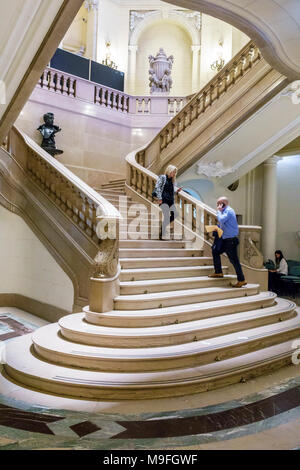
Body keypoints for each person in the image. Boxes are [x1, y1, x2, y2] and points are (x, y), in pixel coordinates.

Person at [209, 196, 247, 288]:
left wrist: (218, 210)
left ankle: (241, 280)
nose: (218, 205)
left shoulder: (229, 211)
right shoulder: (223, 212)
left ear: (224, 204)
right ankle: (218, 272)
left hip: (231, 241)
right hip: (224, 240)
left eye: (219, 203)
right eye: (217, 203)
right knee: (215, 251)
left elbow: (221, 219)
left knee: (234, 261)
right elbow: (222, 224)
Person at [155, 165, 182, 239]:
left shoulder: (172, 180)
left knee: (175, 214)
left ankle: (163, 227)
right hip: (163, 200)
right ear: (169, 171)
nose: (174, 174)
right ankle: (162, 233)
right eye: (173, 172)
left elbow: (170, 191)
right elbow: (158, 188)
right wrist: (159, 198)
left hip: (170, 200)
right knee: (167, 216)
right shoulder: (162, 177)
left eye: (175, 172)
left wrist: (176, 191)